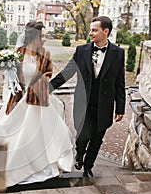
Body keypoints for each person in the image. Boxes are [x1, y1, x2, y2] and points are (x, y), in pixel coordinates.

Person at [0, 21, 74, 187]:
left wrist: (36, 88)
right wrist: (10, 76)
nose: (43, 38)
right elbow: (9, 78)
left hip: (35, 101)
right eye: (42, 35)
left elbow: (47, 75)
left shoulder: (45, 54)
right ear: (35, 35)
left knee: (36, 133)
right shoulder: (18, 53)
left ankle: (40, 166)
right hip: (18, 99)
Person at [50, 16, 126, 177]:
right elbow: (67, 72)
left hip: (104, 104)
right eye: (90, 29)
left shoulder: (118, 53)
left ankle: (88, 166)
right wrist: (48, 87)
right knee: (83, 135)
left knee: (97, 138)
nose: (90, 33)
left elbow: (120, 82)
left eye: (94, 30)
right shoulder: (81, 51)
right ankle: (79, 153)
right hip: (84, 102)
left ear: (106, 31)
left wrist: (120, 107)